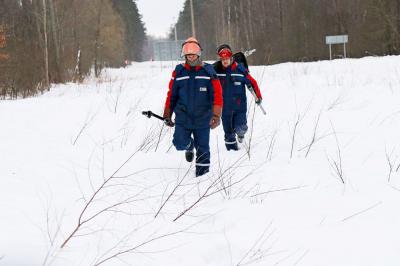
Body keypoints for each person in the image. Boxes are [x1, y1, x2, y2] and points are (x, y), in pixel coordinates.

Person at [163, 37, 223, 177]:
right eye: (188, 53)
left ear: (199, 53)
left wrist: (216, 115)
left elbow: (218, 95)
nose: (191, 56)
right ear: (184, 54)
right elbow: (171, 95)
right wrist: (167, 114)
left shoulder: (208, 71)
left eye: (193, 53)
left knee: (203, 149)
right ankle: (189, 146)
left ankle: (202, 178)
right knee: (179, 143)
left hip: (203, 118)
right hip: (183, 117)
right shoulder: (178, 72)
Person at [213, 44, 263, 151]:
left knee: (241, 127)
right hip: (224, 108)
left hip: (239, 106)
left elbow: (252, 82)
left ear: (231, 58)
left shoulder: (240, 70)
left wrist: (258, 96)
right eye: (223, 59)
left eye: (227, 59)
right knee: (228, 131)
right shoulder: (216, 70)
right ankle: (231, 151)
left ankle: (240, 134)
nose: (225, 61)